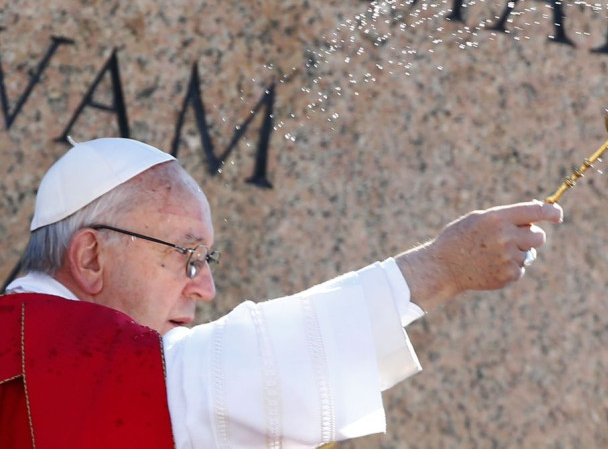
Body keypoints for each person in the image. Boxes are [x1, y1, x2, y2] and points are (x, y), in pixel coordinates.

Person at [0, 137, 563, 448]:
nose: (206, 286)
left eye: (207, 259)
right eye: (186, 254)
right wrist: (441, 268)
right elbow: (248, 369)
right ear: (92, 257)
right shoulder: (58, 355)